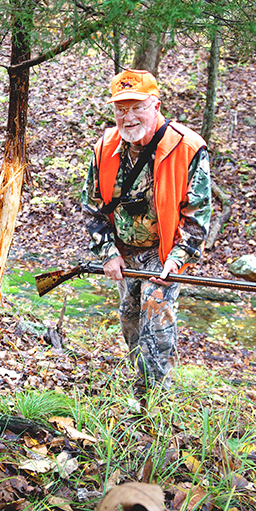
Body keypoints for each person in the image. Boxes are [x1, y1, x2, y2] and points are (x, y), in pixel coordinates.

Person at [80, 69, 212, 396]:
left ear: (156, 104)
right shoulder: (104, 147)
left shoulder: (187, 147)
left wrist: (177, 260)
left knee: (156, 333)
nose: (128, 116)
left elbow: (197, 217)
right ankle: (142, 386)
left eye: (137, 106)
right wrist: (107, 254)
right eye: (121, 109)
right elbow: (92, 207)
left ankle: (153, 411)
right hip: (124, 256)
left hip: (162, 255)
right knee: (130, 322)